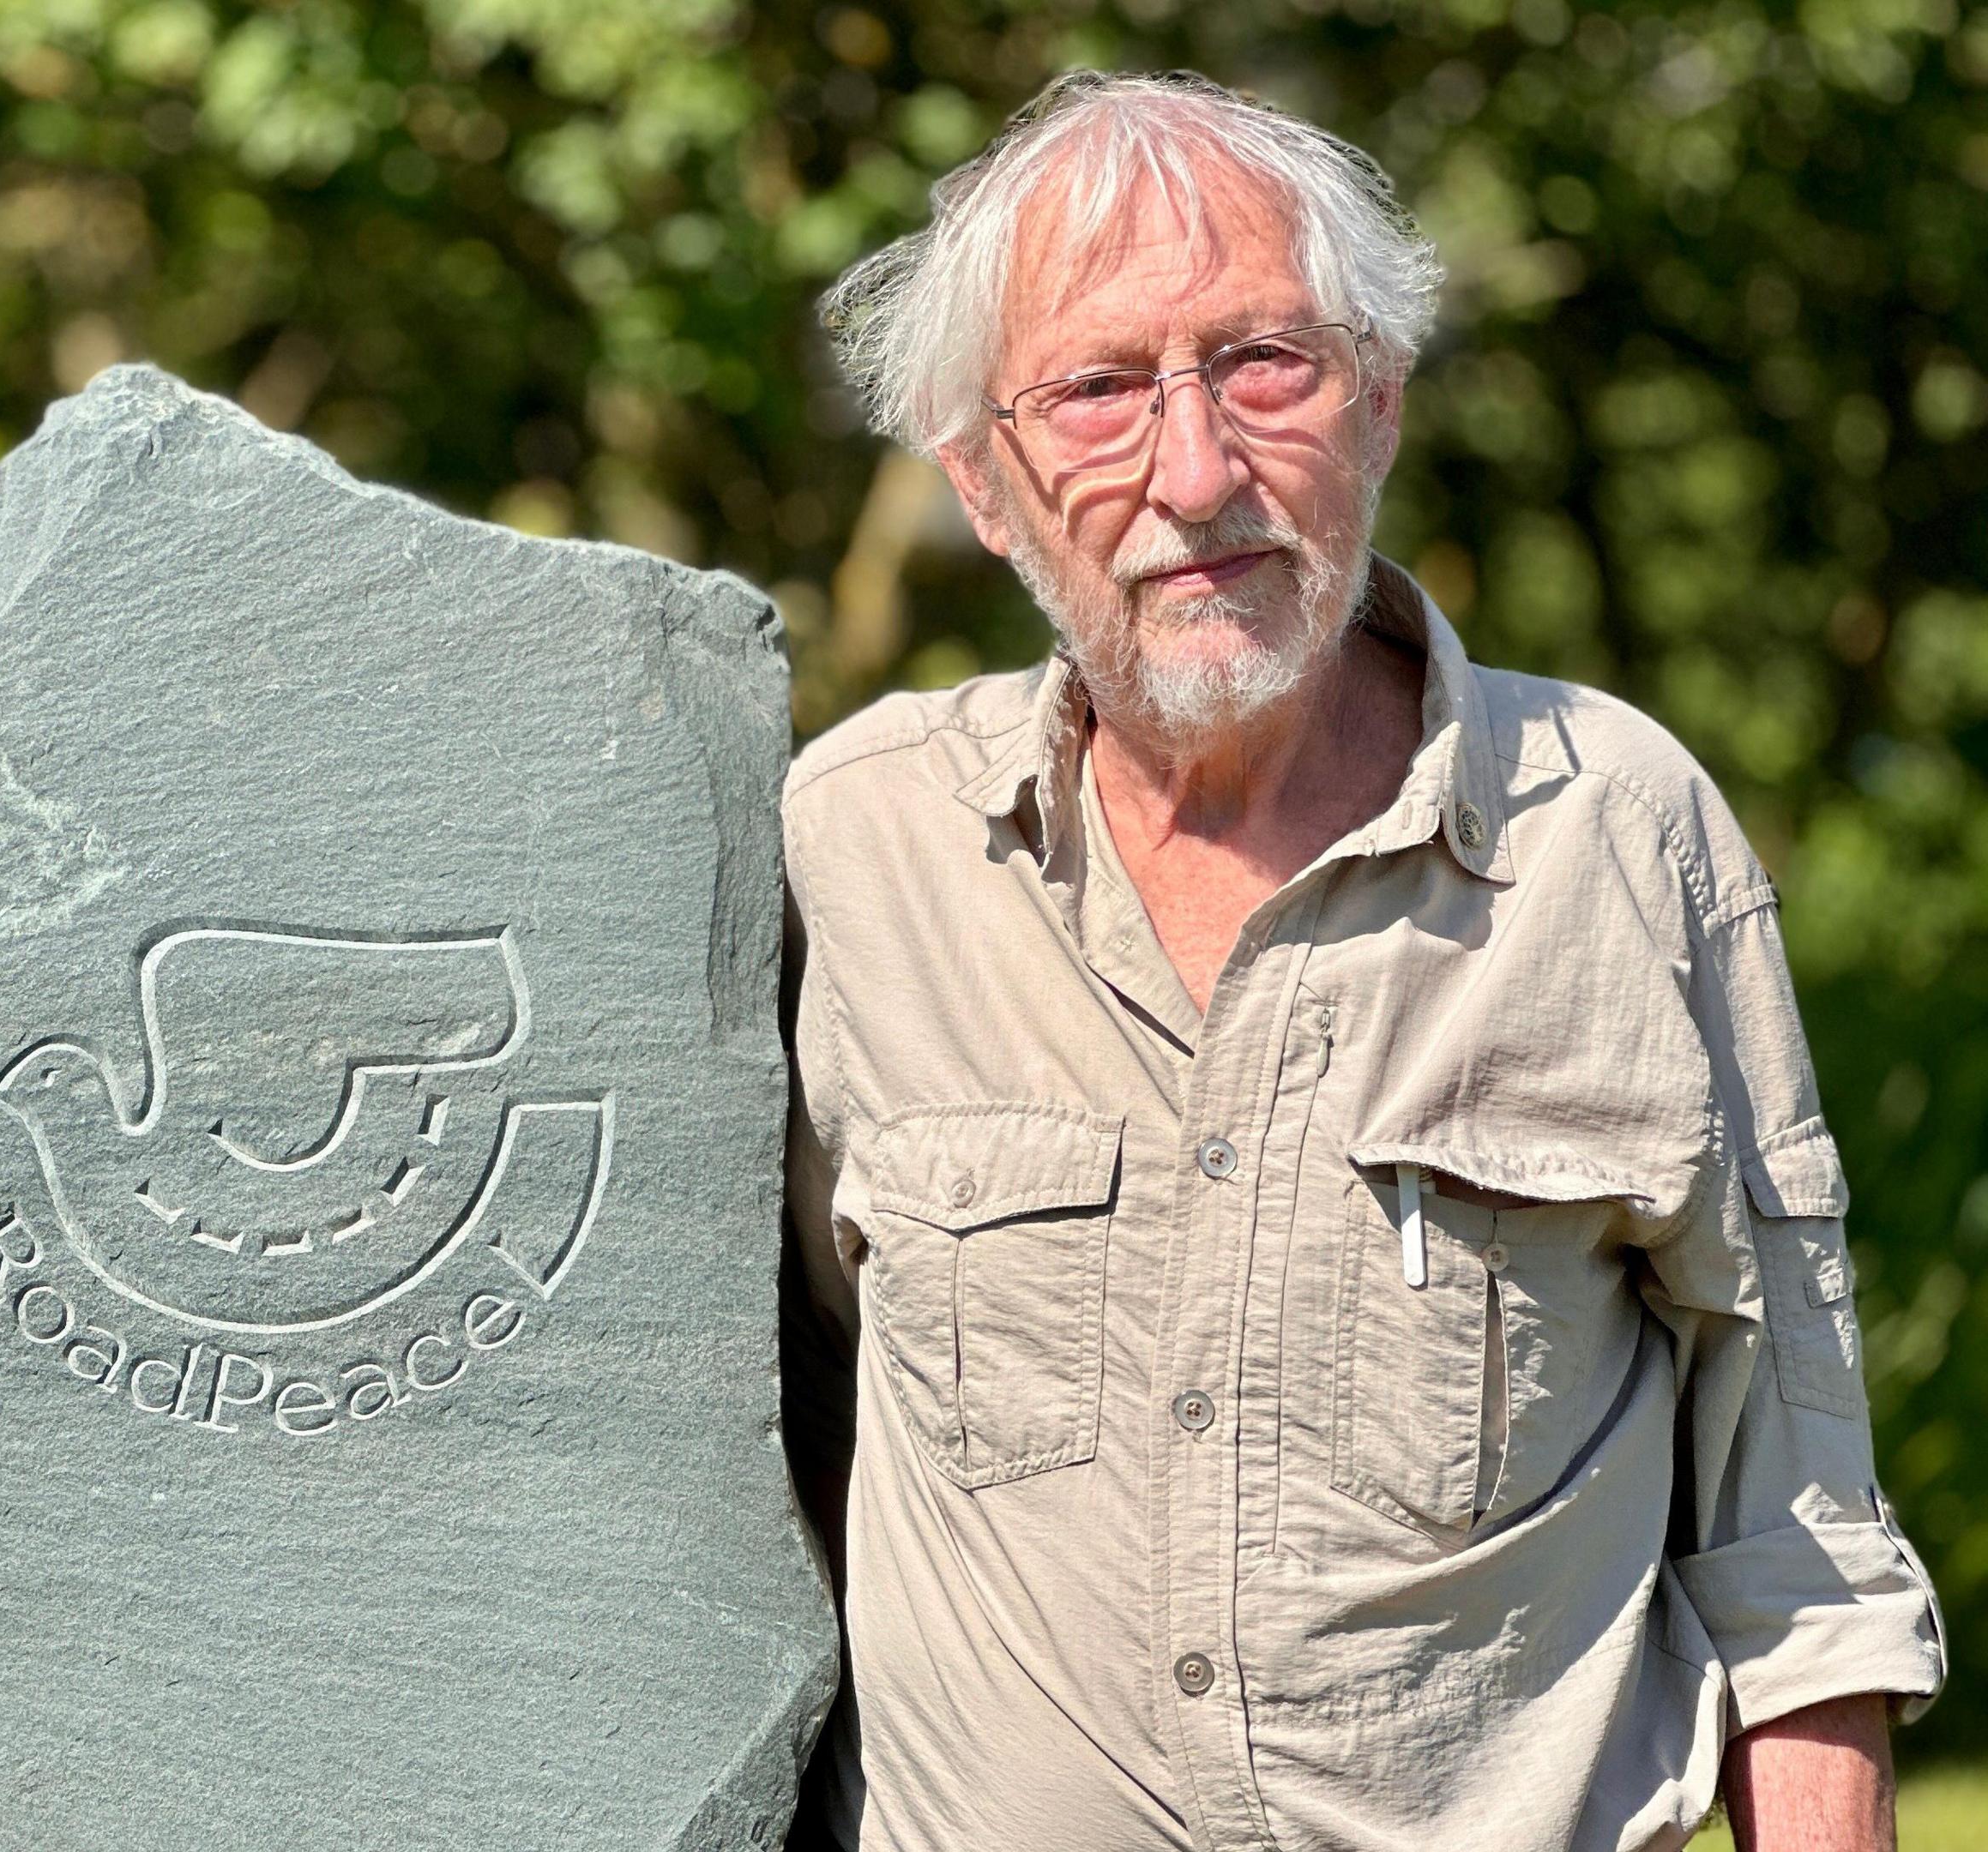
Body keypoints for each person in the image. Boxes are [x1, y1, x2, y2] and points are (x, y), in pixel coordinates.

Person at [789, 71, 1944, 1851]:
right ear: (986, 489)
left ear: (1381, 405)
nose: (1196, 470)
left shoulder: (1617, 833)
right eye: (1098, 391)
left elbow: (1794, 1533)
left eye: (1267, 364)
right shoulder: (859, 850)